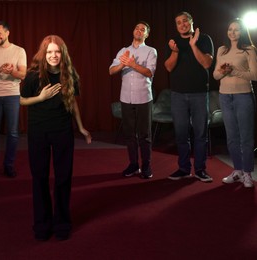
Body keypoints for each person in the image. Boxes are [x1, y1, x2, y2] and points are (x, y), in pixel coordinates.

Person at [20, 35, 92, 241]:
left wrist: (81, 127)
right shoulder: (34, 76)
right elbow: (21, 100)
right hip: (38, 132)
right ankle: (42, 224)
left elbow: (73, 103)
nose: (53, 55)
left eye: (57, 52)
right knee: (40, 178)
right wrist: (41, 98)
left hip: (62, 131)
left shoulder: (69, 75)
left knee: (63, 178)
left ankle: (62, 223)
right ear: (44, 54)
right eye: (49, 52)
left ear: (63, 54)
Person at [164, 11, 214, 182]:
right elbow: (169, 68)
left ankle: (200, 169)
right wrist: (175, 52)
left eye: (185, 21)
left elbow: (207, 63)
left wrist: (193, 45)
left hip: (199, 94)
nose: (182, 24)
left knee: (200, 134)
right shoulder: (173, 43)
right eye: (178, 22)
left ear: (191, 22)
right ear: (176, 26)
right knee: (181, 134)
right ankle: (184, 168)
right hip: (178, 95)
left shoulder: (204, 39)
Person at [109, 21, 157, 179]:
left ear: (146, 34)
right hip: (126, 98)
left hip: (143, 98)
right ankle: (133, 164)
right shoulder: (124, 51)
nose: (139, 30)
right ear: (133, 31)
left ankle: (146, 166)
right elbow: (111, 70)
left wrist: (133, 64)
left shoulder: (151, 51)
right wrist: (122, 65)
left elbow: (150, 72)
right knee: (129, 135)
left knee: (145, 135)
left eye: (143, 29)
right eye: (137, 28)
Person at [213, 18, 257, 188]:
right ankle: (237, 170)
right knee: (231, 137)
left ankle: (247, 173)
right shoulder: (222, 50)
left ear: (242, 32)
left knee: (246, 137)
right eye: (230, 29)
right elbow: (216, 76)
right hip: (225, 96)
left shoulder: (249, 50)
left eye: (237, 30)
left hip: (243, 96)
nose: (233, 32)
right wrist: (224, 71)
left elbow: (254, 75)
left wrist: (235, 71)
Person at [0, 21, 27, 179]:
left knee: (13, 133)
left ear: (7, 33)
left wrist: (11, 71)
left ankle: (9, 165)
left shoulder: (19, 51)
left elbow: (22, 75)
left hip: (12, 95)